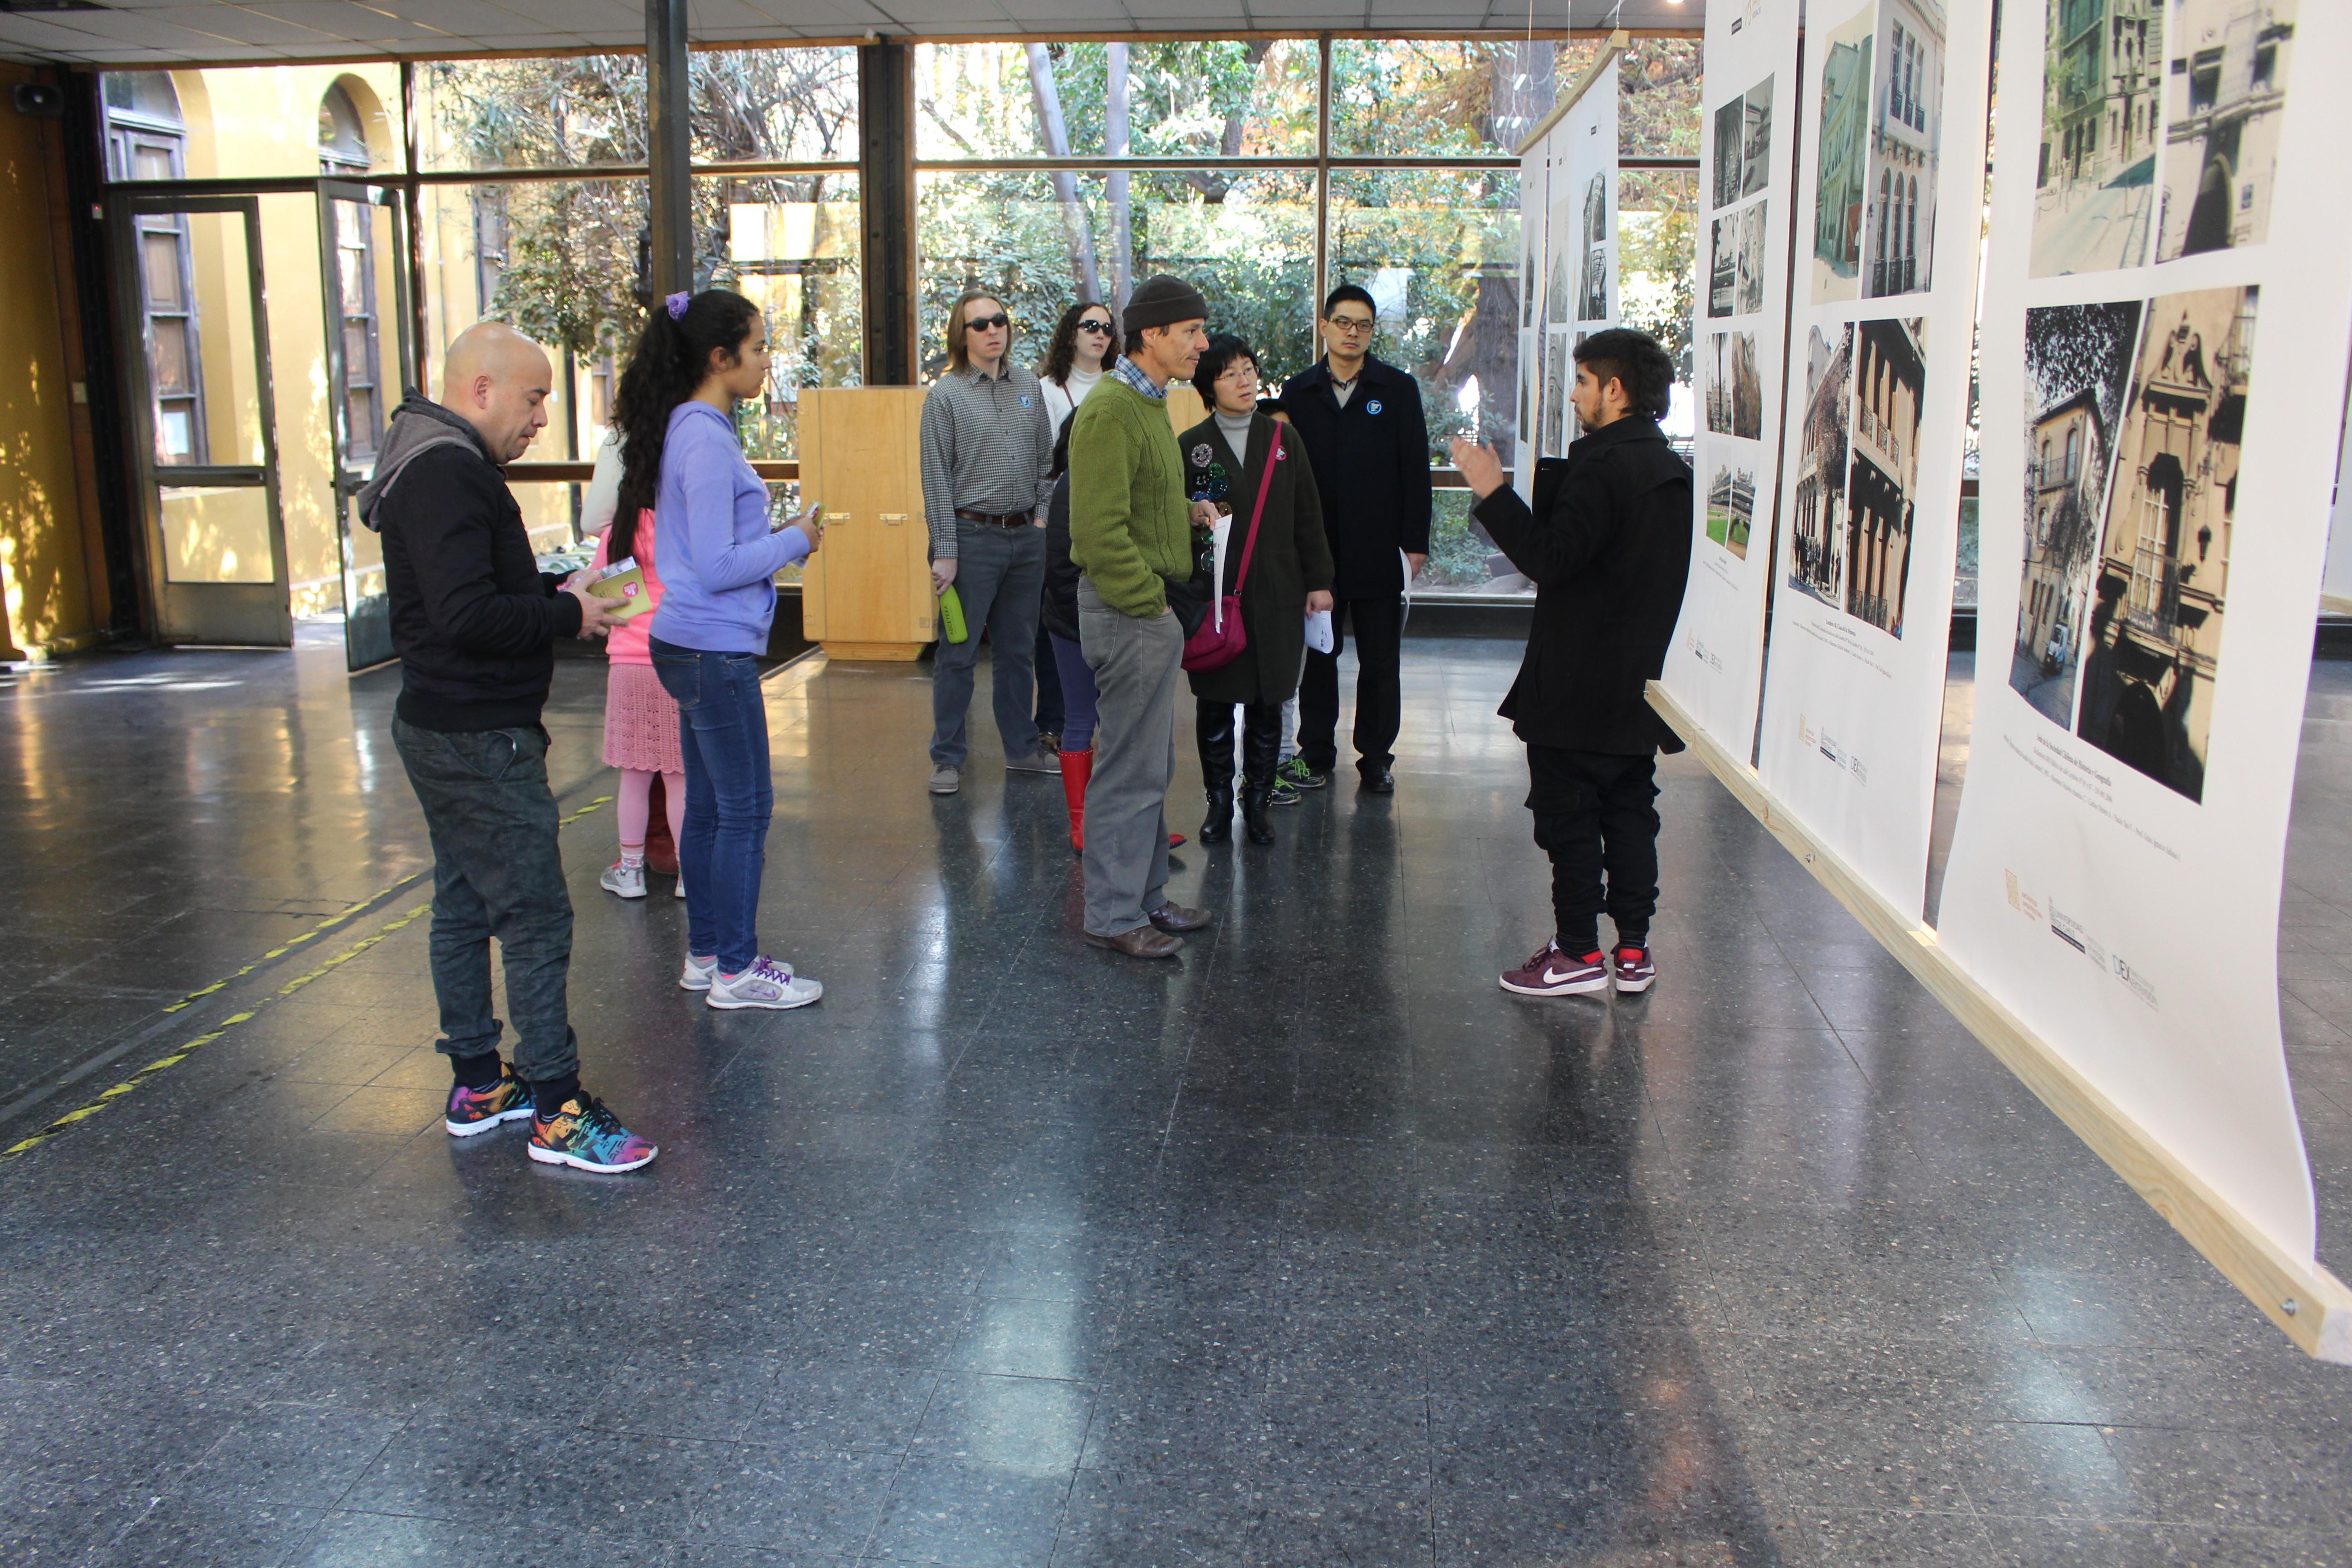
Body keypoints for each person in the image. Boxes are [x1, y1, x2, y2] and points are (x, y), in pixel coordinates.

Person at [358, 321, 657, 1175]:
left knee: (462, 902)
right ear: (480, 389)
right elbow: (464, 618)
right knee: (532, 915)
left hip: (444, 724)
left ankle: (480, 1083)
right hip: (477, 736)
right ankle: (558, 1111)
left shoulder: (429, 459)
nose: (539, 419)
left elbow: (473, 592)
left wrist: (548, 590)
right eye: (532, 399)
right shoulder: (450, 471)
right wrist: (570, 614)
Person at [1449, 328, 1693, 999]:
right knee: (1631, 811)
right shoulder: (1670, 469)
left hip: (1577, 686)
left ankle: (1579, 955)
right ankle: (1635, 952)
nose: (1577, 395)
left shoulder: (1608, 468)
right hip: (1636, 685)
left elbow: (1552, 560)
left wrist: (1494, 491)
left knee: (1571, 819)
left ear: (1614, 391)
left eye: (1583, 383)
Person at [619, 288, 824, 1012]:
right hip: (711, 649)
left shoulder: (692, 427)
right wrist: (797, 539)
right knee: (744, 811)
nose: (768, 359)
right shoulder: (704, 438)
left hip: (690, 645)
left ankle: (707, 955)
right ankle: (736, 968)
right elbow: (716, 565)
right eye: (761, 346)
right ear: (720, 356)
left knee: (706, 811)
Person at [1068, 274, 1217, 958]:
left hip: (1145, 611)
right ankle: (1113, 914)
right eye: (1190, 331)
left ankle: (1147, 899)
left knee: (1149, 765)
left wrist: (1183, 514)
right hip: (1130, 611)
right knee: (1128, 770)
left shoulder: (1151, 403)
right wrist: (1151, 606)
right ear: (1152, 334)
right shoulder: (1110, 410)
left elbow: (1138, 501)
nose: (1202, 344)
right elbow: (1098, 534)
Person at [1179, 334, 1333, 846]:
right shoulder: (1192, 446)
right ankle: (1219, 803)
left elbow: (1309, 514)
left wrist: (1319, 582)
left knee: (1271, 703)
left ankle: (1258, 801)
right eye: (1230, 373)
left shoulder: (1284, 439)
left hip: (1280, 593)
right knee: (1217, 703)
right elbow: (1178, 522)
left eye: (1249, 369)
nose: (1244, 381)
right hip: (1219, 598)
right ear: (1208, 385)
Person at [1281, 284, 1432, 796]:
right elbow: (1284, 477)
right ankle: (1316, 752)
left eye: (1363, 325)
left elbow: (1416, 471)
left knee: (1380, 659)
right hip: (1318, 553)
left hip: (1377, 549)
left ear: (1372, 332)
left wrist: (1415, 545)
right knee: (1320, 657)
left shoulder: (1397, 389)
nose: (1352, 333)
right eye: (1343, 322)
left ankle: (1376, 757)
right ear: (1324, 327)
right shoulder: (1298, 394)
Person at [920, 292, 1060, 796]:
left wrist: (1042, 521)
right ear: (962, 335)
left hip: (1026, 539)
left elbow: (1048, 463)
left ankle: (1022, 748)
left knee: (1017, 652)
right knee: (957, 654)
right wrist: (946, 549)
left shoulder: (1028, 385)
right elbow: (935, 477)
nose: (991, 331)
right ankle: (948, 758)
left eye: (998, 321)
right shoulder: (946, 395)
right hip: (970, 538)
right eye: (979, 325)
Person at [1044, 418, 1188, 858]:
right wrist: (1093, 626)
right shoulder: (1074, 485)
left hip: (1098, 616)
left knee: (1124, 725)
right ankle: (1082, 824)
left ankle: (1139, 828)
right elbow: (1063, 570)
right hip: (1076, 623)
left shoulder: (1094, 481)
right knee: (1082, 719)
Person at [587, 466, 687, 903]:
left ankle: (630, 870)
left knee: (635, 776)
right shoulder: (681, 529)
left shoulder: (618, 533)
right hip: (678, 656)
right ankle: (690, 873)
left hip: (628, 664)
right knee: (681, 777)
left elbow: (591, 587)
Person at [1033, 301, 1119, 750]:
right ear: (1071, 334)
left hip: (1109, 510)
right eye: (1090, 326)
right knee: (1059, 623)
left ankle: (1096, 720)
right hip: (1058, 513)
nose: (1099, 334)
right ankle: (1052, 721)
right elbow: (1039, 462)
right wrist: (1044, 518)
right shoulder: (1047, 389)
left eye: (1107, 328)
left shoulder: (1119, 386)